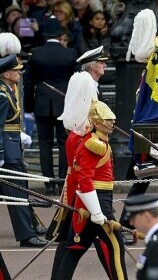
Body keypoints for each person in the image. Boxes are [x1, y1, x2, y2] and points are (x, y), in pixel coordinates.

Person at [54, 100, 127, 280]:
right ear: (95, 122)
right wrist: (96, 211)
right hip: (97, 202)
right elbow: (85, 180)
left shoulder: (98, 140)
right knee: (116, 247)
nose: (112, 123)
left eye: (112, 119)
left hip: (91, 203)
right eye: (107, 120)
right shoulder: (94, 144)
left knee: (75, 249)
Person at [23, 16, 77, 195]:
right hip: (64, 103)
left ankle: (48, 182)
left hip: (42, 103)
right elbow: (75, 82)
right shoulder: (69, 53)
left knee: (45, 144)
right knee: (64, 143)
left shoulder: (36, 54)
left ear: (45, 34)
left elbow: (28, 84)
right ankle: (62, 181)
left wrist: (29, 107)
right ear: (60, 34)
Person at [0, 54, 48, 247]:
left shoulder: (8, 91)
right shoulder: (3, 96)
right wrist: (1, 154)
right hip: (8, 153)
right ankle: (27, 236)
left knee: (19, 191)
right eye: (16, 70)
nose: (19, 73)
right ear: (6, 74)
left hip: (13, 148)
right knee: (17, 195)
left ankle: (31, 228)